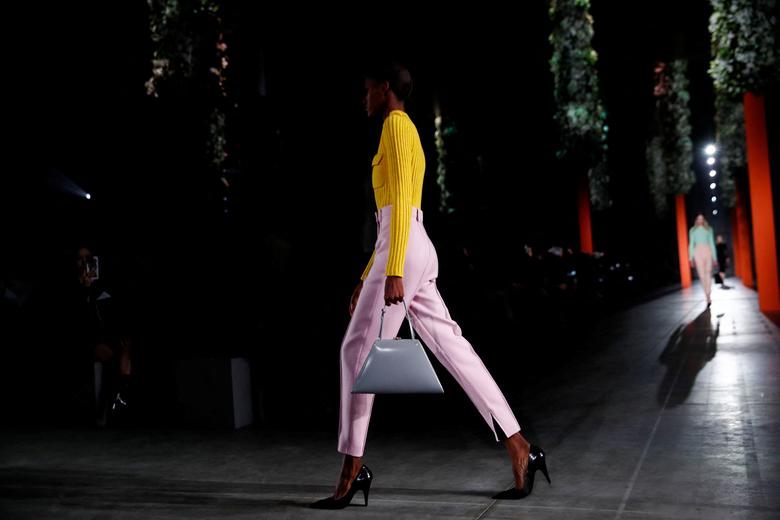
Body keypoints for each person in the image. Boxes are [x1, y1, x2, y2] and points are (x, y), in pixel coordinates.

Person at [311, 61, 549, 510]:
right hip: (407, 246)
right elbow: (392, 217)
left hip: (402, 249)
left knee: (354, 353)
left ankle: (351, 470)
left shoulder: (395, 126)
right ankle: (519, 445)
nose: (364, 97)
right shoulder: (405, 131)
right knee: (453, 348)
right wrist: (367, 277)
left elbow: (400, 202)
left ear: (385, 89)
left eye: (367, 89)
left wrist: (393, 269)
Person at [688, 214, 718, 306]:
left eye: (702, 218)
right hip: (697, 252)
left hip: (707, 251)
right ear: (696, 220)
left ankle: (708, 294)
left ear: (704, 220)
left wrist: (715, 258)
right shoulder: (692, 230)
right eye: (698, 218)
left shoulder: (709, 229)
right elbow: (691, 244)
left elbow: (712, 243)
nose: (700, 220)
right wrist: (690, 258)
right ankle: (707, 294)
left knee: (708, 273)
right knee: (701, 275)